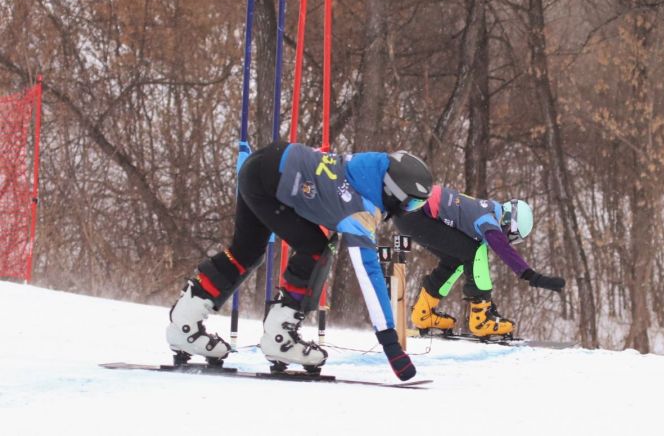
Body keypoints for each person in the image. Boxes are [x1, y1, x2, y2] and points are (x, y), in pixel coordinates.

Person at [166, 141, 432, 381]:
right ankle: (279, 336)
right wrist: (390, 344)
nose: (408, 212)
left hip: (262, 165)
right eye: (410, 205)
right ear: (390, 192)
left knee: (246, 252)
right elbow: (369, 275)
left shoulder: (373, 166)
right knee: (316, 249)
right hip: (270, 182)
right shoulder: (360, 213)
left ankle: (184, 321)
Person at [393, 184, 565, 338]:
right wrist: (532, 276)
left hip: (408, 213)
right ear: (510, 223)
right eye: (512, 236)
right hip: (415, 214)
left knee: (455, 259)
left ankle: (423, 313)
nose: (508, 239)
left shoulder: (488, 209)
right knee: (474, 251)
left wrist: (490, 304)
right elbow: (502, 248)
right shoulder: (488, 220)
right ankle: (481, 320)